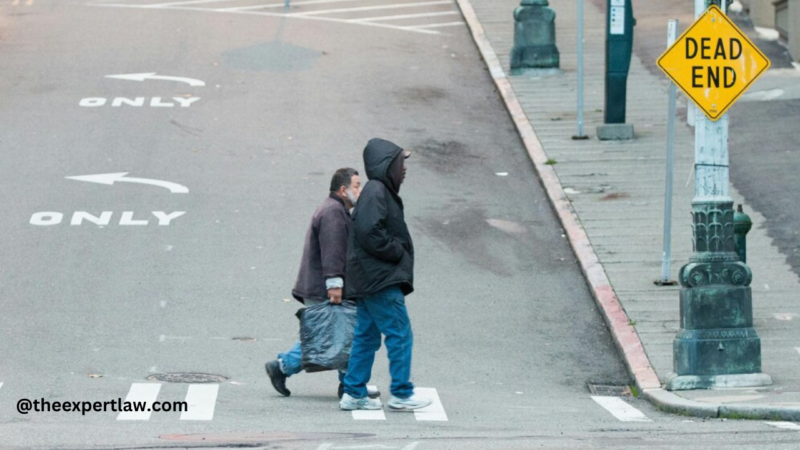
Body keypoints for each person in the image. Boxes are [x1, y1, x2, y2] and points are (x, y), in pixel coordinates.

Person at [265, 168, 378, 399]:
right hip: (325, 287)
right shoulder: (334, 212)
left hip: (322, 284)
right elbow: (333, 250)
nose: (361, 190)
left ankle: (344, 383)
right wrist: (334, 284)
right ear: (343, 190)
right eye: (357, 185)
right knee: (344, 335)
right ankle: (284, 367)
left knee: (338, 335)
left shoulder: (337, 209)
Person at [339, 138, 432, 412]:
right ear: (387, 165)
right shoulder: (377, 190)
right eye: (401, 162)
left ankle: (353, 393)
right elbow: (370, 231)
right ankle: (402, 393)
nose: (404, 168)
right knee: (400, 333)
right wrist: (397, 252)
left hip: (369, 279)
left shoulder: (376, 190)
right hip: (380, 279)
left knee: (367, 336)